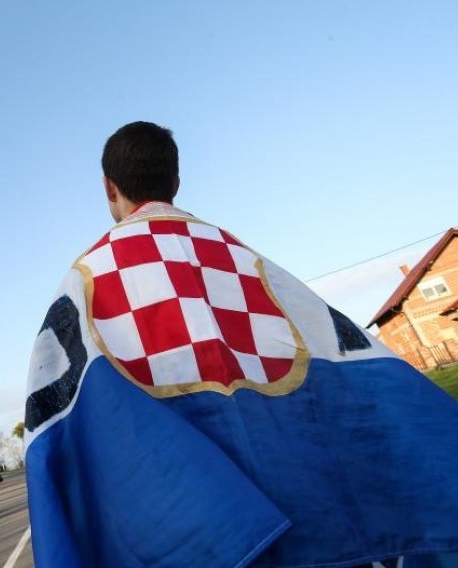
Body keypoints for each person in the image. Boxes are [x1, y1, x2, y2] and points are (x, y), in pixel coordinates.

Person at [24, 121, 458, 567]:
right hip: (302, 507)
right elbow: (344, 359)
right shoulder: (245, 259)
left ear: (108, 188)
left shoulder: (82, 282)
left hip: (192, 528)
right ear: (175, 182)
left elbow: (56, 424)